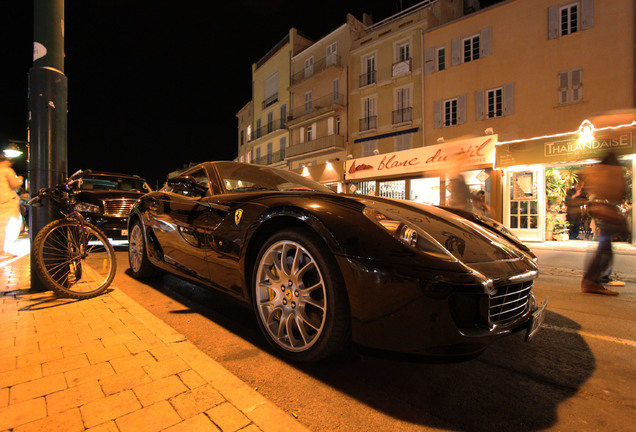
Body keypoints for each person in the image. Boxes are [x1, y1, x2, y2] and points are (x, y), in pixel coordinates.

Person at [581, 152, 626, 295]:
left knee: (605, 247)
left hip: (607, 210)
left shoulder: (606, 168)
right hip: (607, 210)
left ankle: (596, 279)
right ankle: (591, 281)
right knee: (604, 249)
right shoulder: (609, 168)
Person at [0, 154, 24, 259]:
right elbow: (15, 184)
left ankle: (2, 250)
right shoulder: (7, 170)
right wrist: (20, 178)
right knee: (14, 225)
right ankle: (2, 250)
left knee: (2, 227)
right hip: (8, 202)